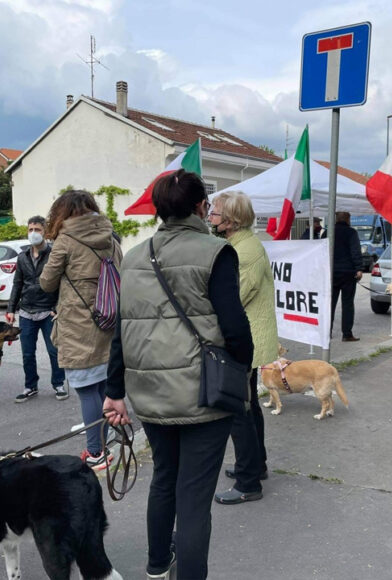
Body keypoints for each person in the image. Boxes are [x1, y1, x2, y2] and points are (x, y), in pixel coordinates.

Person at [103, 169, 254, 580]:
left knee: (164, 480)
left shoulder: (133, 258)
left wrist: (114, 390)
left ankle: (156, 566)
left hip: (149, 393)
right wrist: (240, 366)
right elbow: (236, 327)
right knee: (193, 499)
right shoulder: (215, 251)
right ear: (201, 206)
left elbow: (122, 329)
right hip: (205, 392)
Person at [39, 189, 122, 470]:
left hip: (78, 323)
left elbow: (46, 283)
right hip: (109, 318)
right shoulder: (110, 236)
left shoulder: (65, 241)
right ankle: (104, 437)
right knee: (101, 385)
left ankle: (96, 453)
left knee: (87, 390)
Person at [207, 191, 278, 505]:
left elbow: (235, 297)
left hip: (247, 339)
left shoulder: (243, 250)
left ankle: (248, 481)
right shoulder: (241, 244)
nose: (210, 215)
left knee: (240, 410)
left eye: (215, 212)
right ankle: (254, 465)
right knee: (249, 407)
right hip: (251, 337)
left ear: (231, 220)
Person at [6, 215, 68, 402]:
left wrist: (57, 307)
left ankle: (58, 384)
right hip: (26, 311)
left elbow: (63, 283)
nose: (33, 233)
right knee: (27, 353)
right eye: (30, 229)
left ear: (45, 232)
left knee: (53, 350)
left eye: (37, 230)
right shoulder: (22, 257)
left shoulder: (54, 254)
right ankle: (30, 386)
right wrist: (10, 308)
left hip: (47, 310)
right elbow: (17, 284)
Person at [329, 212, 363, 342]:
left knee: (330, 304)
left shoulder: (329, 232)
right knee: (347, 304)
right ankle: (347, 334)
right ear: (348, 219)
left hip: (332, 272)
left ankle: (327, 332)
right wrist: (359, 268)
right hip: (348, 273)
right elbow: (355, 251)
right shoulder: (351, 232)